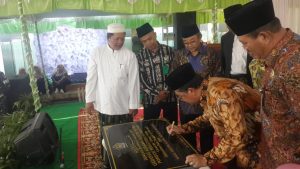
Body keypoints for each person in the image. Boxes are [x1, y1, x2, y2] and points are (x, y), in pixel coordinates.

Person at [226, 0, 300, 168]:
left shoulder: (294, 65)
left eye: (244, 42)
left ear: (264, 36)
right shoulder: (275, 55)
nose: (244, 48)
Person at [165, 63, 261, 169]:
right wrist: (183, 129)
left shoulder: (221, 94)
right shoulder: (207, 87)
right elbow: (209, 117)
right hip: (245, 137)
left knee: (244, 160)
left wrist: (205, 159)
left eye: (181, 97)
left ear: (190, 91)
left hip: (259, 139)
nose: (181, 101)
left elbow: (237, 135)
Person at [85, 23, 140, 169]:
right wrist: (89, 99)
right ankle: (107, 163)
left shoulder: (130, 55)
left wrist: (134, 105)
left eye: (122, 38)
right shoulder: (97, 52)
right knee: (106, 135)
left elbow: (134, 81)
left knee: (124, 135)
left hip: (124, 105)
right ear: (108, 38)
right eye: (117, 39)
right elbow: (91, 77)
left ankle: (124, 162)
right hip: (105, 104)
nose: (120, 42)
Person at [171, 24, 219, 153]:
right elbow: (174, 75)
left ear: (200, 37)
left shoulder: (211, 53)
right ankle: (191, 161)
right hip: (186, 104)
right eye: (186, 43)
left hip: (206, 102)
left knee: (206, 136)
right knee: (187, 135)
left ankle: (205, 161)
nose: (189, 45)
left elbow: (217, 76)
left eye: (193, 41)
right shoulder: (179, 55)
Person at [136, 23, 177, 123]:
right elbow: (141, 79)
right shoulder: (140, 56)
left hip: (170, 97)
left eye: (149, 39)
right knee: (150, 128)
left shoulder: (169, 51)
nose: (148, 43)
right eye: (144, 41)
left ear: (155, 34)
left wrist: (166, 91)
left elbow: (174, 71)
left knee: (171, 127)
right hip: (151, 100)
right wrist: (157, 94)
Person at [221, 4, 253, 87]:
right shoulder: (225, 38)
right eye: (228, 21)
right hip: (229, 80)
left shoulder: (252, 35)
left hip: (248, 80)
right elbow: (223, 62)